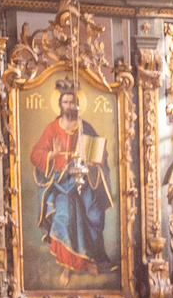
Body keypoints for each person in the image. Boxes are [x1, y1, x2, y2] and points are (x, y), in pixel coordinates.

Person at [27, 79, 112, 276]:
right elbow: (35, 155)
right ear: (60, 104)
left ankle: (91, 260)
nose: (69, 106)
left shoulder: (85, 127)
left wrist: (94, 161)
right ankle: (68, 267)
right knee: (64, 214)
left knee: (94, 214)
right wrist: (52, 154)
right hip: (61, 184)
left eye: (72, 102)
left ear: (77, 104)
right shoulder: (52, 128)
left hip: (84, 183)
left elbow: (100, 154)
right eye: (65, 102)